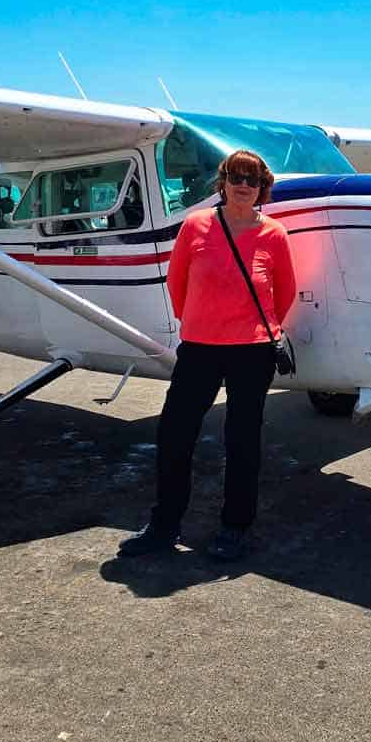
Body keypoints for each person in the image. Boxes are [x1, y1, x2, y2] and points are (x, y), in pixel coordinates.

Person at [119, 149, 297, 561]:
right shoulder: (196, 225)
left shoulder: (273, 234)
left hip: (252, 352)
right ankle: (163, 525)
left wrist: (250, 328)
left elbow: (284, 295)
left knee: (242, 442)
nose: (244, 186)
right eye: (237, 176)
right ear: (224, 181)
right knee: (174, 435)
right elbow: (177, 284)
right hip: (199, 348)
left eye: (253, 180)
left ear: (262, 188)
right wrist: (199, 322)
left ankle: (235, 528)